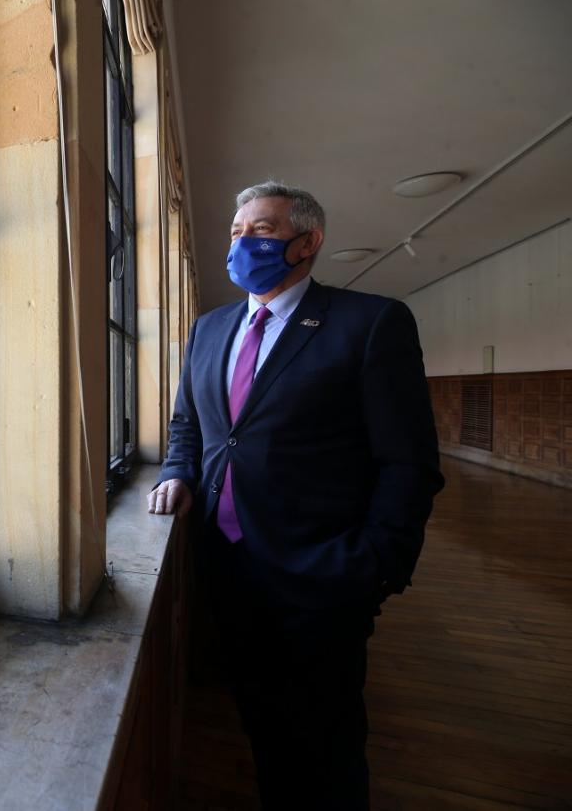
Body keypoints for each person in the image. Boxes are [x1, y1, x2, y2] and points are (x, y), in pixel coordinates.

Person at [148, 181, 443, 809]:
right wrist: (177, 471)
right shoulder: (209, 329)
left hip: (322, 575)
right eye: (235, 232)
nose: (241, 242)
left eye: (260, 230)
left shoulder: (369, 323)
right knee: (262, 723)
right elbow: (190, 425)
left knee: (327, 741)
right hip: (227, 571)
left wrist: (375, 565)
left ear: (307, 243)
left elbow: (408, 462)